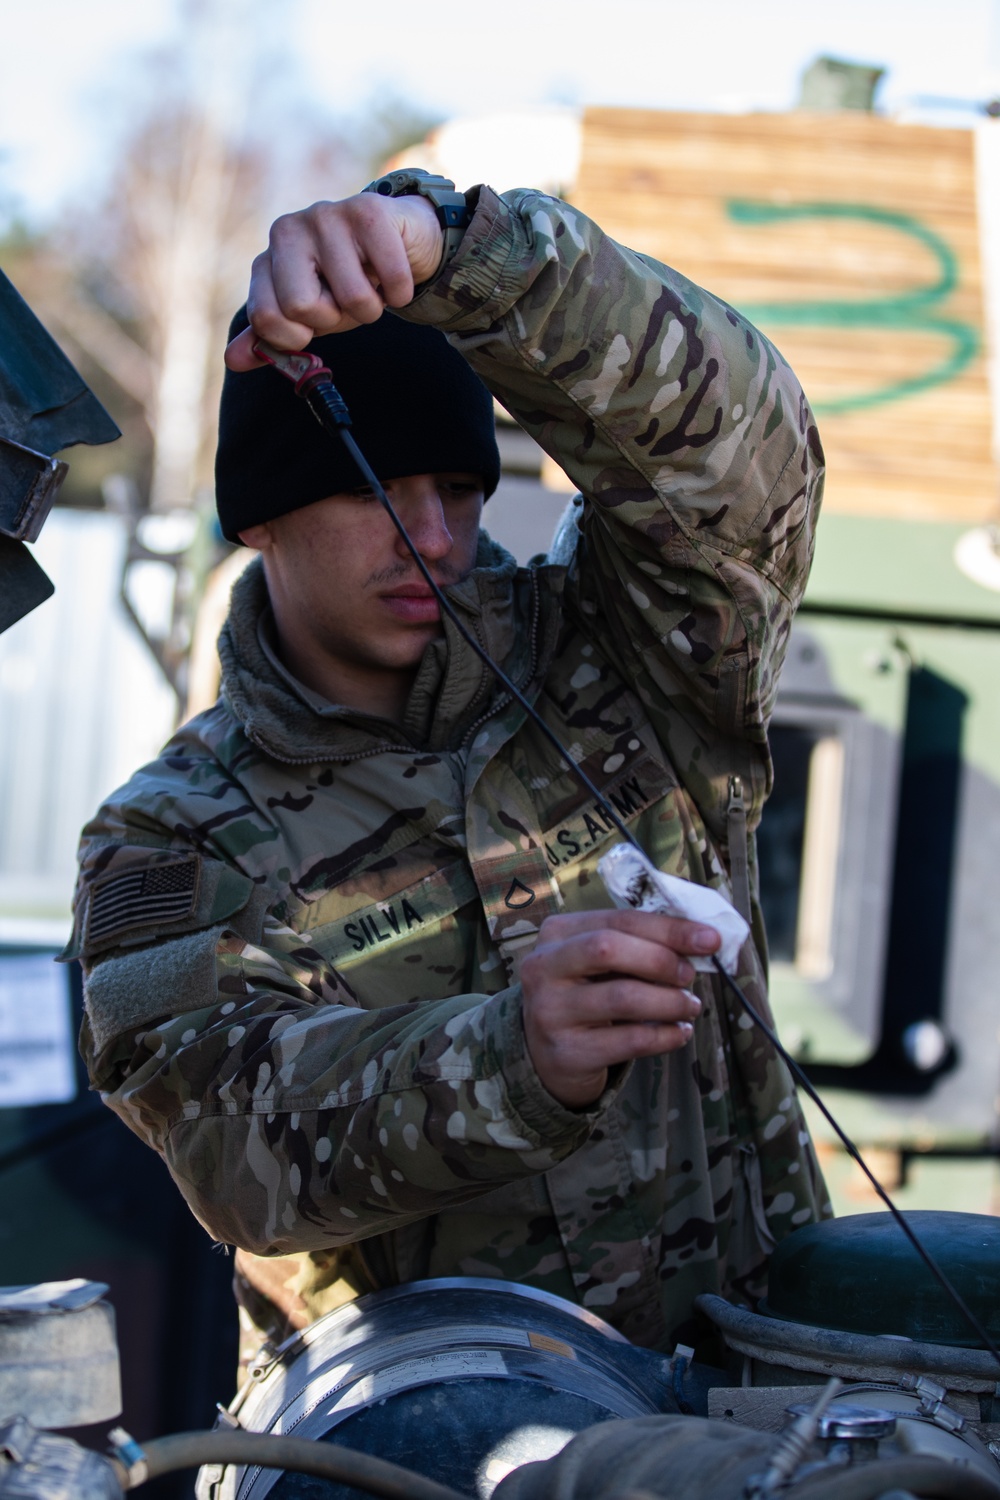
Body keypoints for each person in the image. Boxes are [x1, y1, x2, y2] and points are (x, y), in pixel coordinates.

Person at [69, 173, 830, 1364]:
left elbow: (751, 462)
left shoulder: (624, 657)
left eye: (460, 490)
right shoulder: (170, 836)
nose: (431, 538)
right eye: (373, 494)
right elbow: (230, 1151)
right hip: (406, 1445)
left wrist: (468, 252)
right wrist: (510, 1057)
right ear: (260, 519)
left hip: (741, 1410)